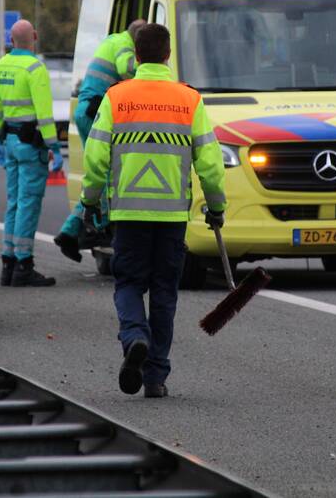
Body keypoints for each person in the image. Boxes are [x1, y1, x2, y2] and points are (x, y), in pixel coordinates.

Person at [80, 23, 227, 398]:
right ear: (167, 54)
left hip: (129, 214)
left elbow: (96, 157)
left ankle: (134, 337)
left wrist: (90, 201)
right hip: (171, 217)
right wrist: (216, 206)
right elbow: (209, 163)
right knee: (164, 292)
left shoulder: (116, 97)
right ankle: (155, 376)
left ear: (137, 54)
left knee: (129, 283)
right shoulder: (189, 100)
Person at [54, 19, 147, 262]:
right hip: (94, 112)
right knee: (105, 172)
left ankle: (70, 232)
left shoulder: (113, 39)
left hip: (88, 109)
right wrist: (154, 69)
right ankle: (98, 227)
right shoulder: (124, 46)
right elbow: (126, 68)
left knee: (98, 174)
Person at [0, 19, 62, 288]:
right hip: (31, 144)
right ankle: (24, 264)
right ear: (35, 36)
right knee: (29, 203)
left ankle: (8, 263)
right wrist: (54, 147)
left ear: (11, 40)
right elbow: (44, 114)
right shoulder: (34, 68)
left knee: (14, 201)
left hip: (9, 141)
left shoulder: (0, 66)